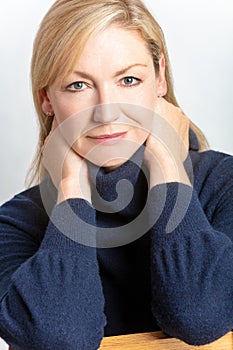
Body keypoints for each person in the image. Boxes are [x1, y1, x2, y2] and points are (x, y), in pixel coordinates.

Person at [0, 0, 233, 349]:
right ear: (46, 97)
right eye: (78, 85)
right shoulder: (15, 224)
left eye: (128, 79)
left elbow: (200, 316)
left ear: (159, 79)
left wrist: (168, 165)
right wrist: (71, 187)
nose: (106, 113)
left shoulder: (224, 185)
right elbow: (62, 337)